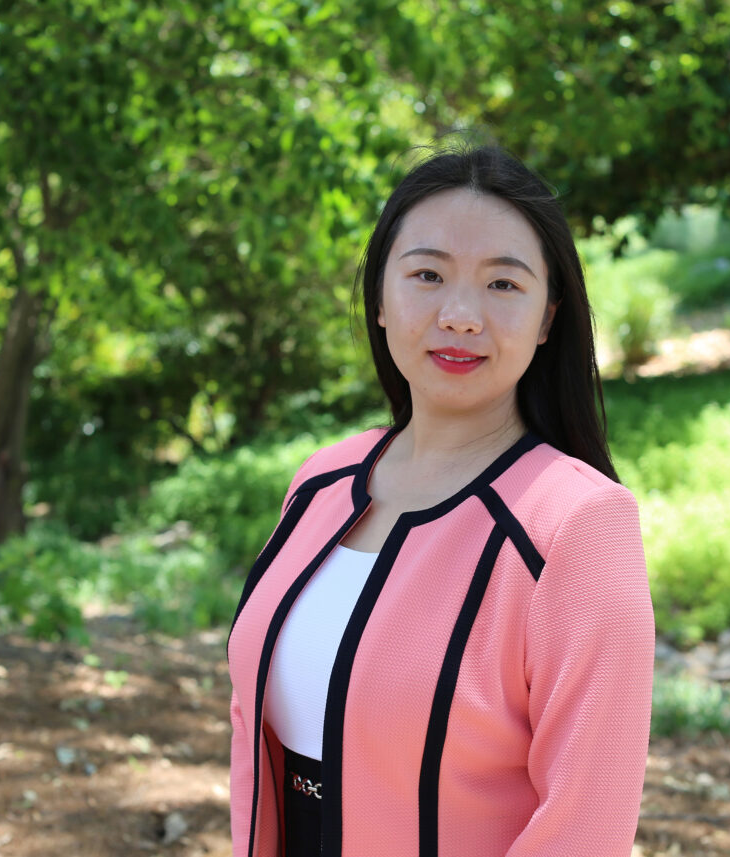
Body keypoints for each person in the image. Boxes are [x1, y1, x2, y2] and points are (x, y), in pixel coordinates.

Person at [227, 144, 654, 857]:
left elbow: (584, 823)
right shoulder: (320, 483)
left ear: (549, 318)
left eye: (503, 285)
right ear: (381, 300)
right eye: (427, 274)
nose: (459, 315)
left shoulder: (574, 523)